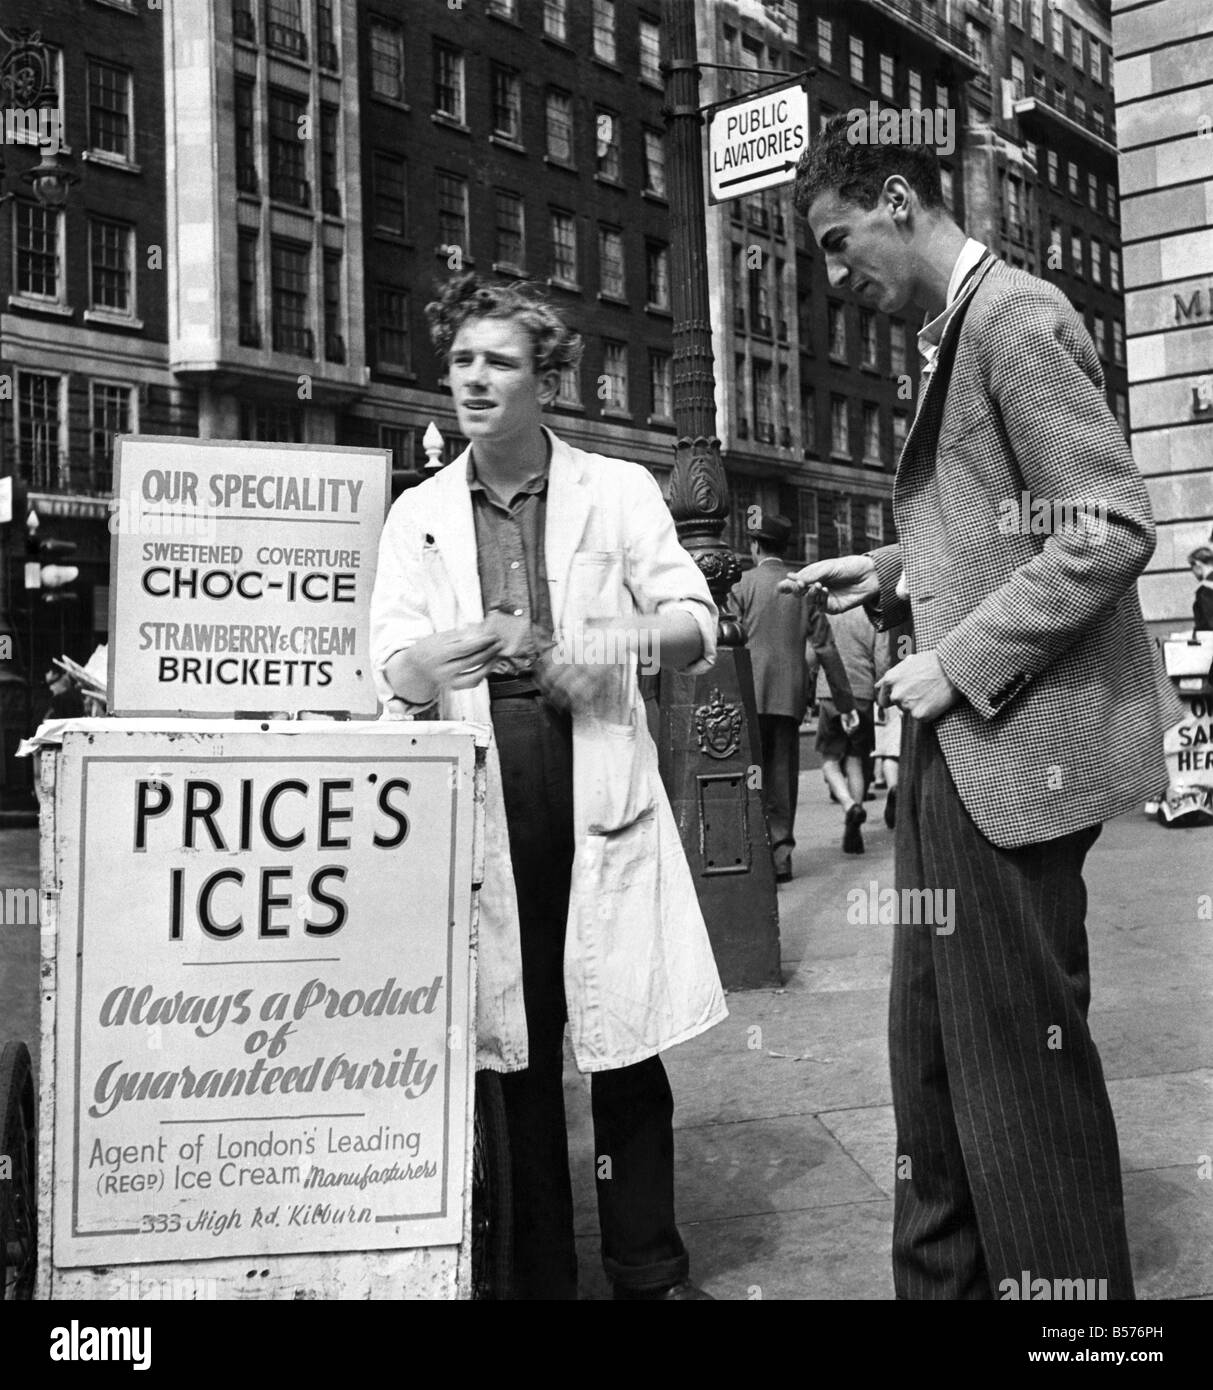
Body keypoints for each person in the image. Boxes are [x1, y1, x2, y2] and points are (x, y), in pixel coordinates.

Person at [781, 114, 1182, 1300]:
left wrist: (952, 659)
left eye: (843, 243)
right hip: (959, 757)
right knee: (933, 1068)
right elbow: (1007, 517)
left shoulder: (1012, 318)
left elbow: (1106, 523)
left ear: (902, 199)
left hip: (1013, 757)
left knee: (1017, 1074)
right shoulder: (960, 326)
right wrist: (897, 571)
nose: (838, 277)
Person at [369, 274, 725, 1301]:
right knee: (510, 1049)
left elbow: (695, 621)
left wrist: (596, 646)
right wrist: (438, 655)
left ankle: (647, 1269)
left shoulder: (616, 491)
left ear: (544, 380)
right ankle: (536, 1276)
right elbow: (387, 666)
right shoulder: (418, 514)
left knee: (620, 1044)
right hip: (483, 796)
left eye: (500, 363)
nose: (475, 381)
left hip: (594, 780)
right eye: (463, 362)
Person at [730, 511, 854, 880]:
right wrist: (845, 704)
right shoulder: (803, 589)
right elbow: (826, 649)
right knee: (783, 777)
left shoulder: (741, 585)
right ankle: (781, 855)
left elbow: (730, 639)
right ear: (785, 548)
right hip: (789, 696)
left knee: (751, 773)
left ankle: (750, 851)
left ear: (754, 546)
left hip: (748, 694)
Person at [814, 604, 888, 855]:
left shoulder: (827, 612)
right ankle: (855, 810)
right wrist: (881, 696)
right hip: (863, 691)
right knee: (856, 759)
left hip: (830, 693)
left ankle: (848, 805)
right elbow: (882, 658)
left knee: (830, 760)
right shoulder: (873, 615)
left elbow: (815, 652)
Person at [1188, 545, 1213, 633]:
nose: (1192, 572)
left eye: (1192, 567)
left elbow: (1209, 625)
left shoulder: (1205, 590)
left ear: (1197, 564)